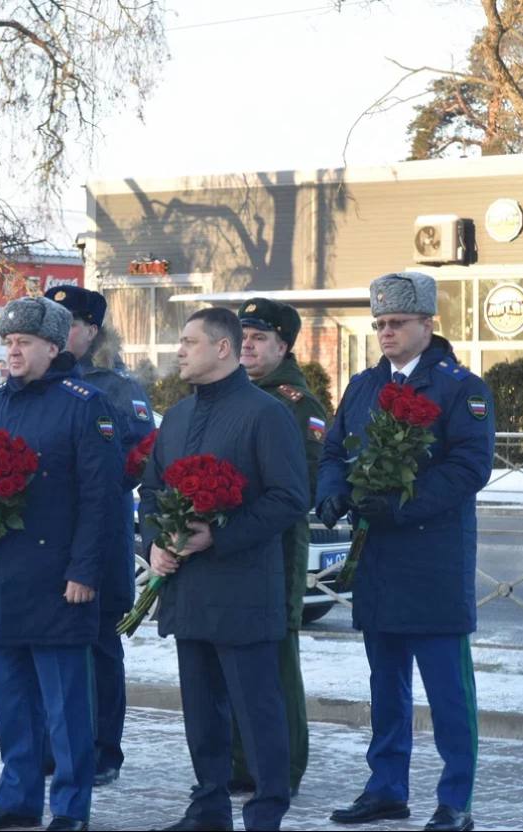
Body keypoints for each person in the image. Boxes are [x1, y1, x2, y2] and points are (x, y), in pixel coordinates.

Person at [316, 272, 495, 832]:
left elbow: (469, 468)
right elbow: (334, 450)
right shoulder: (365, 386)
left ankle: (455, 799)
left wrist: (404, 505)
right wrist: (331, 495)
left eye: (396, 323)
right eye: (380, 324)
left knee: (447, 691)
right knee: (385, 686)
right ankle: (386, 788)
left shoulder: (460, 387)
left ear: (427, 324)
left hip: (432, 559)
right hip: (378, 561)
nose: (386, 333)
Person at [142, 307, 309, 832]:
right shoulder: (178, 417)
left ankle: (265, 814)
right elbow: (151, 491)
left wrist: (220, 533)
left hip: (243, 590)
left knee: (258, 713)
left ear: (222, 349)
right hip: (187, 589)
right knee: (202, 711)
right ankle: (209, 806)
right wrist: (154, 545)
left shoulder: (265, 413)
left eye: (189, 341)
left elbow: (289, 498)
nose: (179, 351)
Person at [0, 296, 122, 832]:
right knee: (11, 699)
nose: (13, 351)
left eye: (23, 343)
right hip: (4, 575)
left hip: (59, 580)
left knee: (66, 704)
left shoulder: (84, 405)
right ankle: (18, 799)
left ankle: (71, 807)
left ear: (53, 347)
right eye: (8, 342)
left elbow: (101, 499)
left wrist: (84, 571)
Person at [43, 284, 156, 787]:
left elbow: (139, 460)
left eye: (67, 322)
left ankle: (105, 749)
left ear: (90, 329)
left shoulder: (116, 388)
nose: (57, 331)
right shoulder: (36, 383)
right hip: (47, 543)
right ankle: (59, 745)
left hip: (102, 537)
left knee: (100, 647)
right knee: (52, 644)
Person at [235, 297, 328, 797]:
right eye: (243, 336)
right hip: (229, 549)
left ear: (283, 345)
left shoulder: (295, 403)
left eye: (259, 338)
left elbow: (304, 484)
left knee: (276, 661)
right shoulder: (227, 393)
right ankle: (239, 763)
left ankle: (284, 766)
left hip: (276, 547)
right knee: (231, 659)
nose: (247, 346)